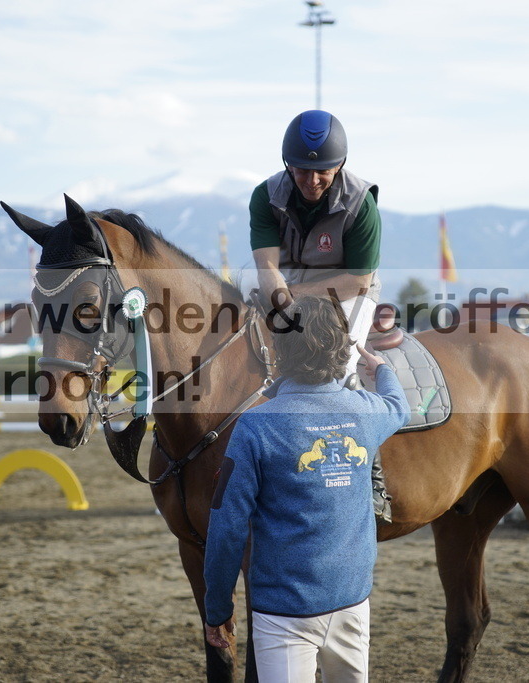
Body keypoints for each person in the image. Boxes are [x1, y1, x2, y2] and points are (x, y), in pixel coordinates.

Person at [202, 296, 409, 682]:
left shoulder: (254, 426)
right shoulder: (367, 410)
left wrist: (217, 610)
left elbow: (227, 527)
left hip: (282, 613)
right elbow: (400, 406)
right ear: (341, 350)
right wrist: (380, 370)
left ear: (279, 350)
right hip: (353, 602)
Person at [250, 109, 382, 387]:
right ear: (289, 165)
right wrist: (282, 298)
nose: (312, 181)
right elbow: (267, 266)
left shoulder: (361, 203)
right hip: (286, 283)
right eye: (303, 171)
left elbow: (359, 280)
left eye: (323, 171)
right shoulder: (265, 195)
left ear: (339, 165)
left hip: (346, 291)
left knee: (335, 369)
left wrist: (295, 296)